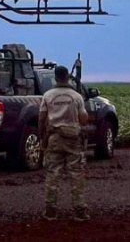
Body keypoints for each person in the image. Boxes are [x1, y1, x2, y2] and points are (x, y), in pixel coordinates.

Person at [39, 65, 89, 222]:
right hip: (73, 138)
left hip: (54, 137)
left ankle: (50, 211)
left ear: (55, 77)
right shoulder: (76, 96)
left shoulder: (47, 95)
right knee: (76, 174)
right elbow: (83, 120)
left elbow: (41, 118)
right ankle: (79, 211)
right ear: (68, 77)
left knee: (53, 173)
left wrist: (43, 138)